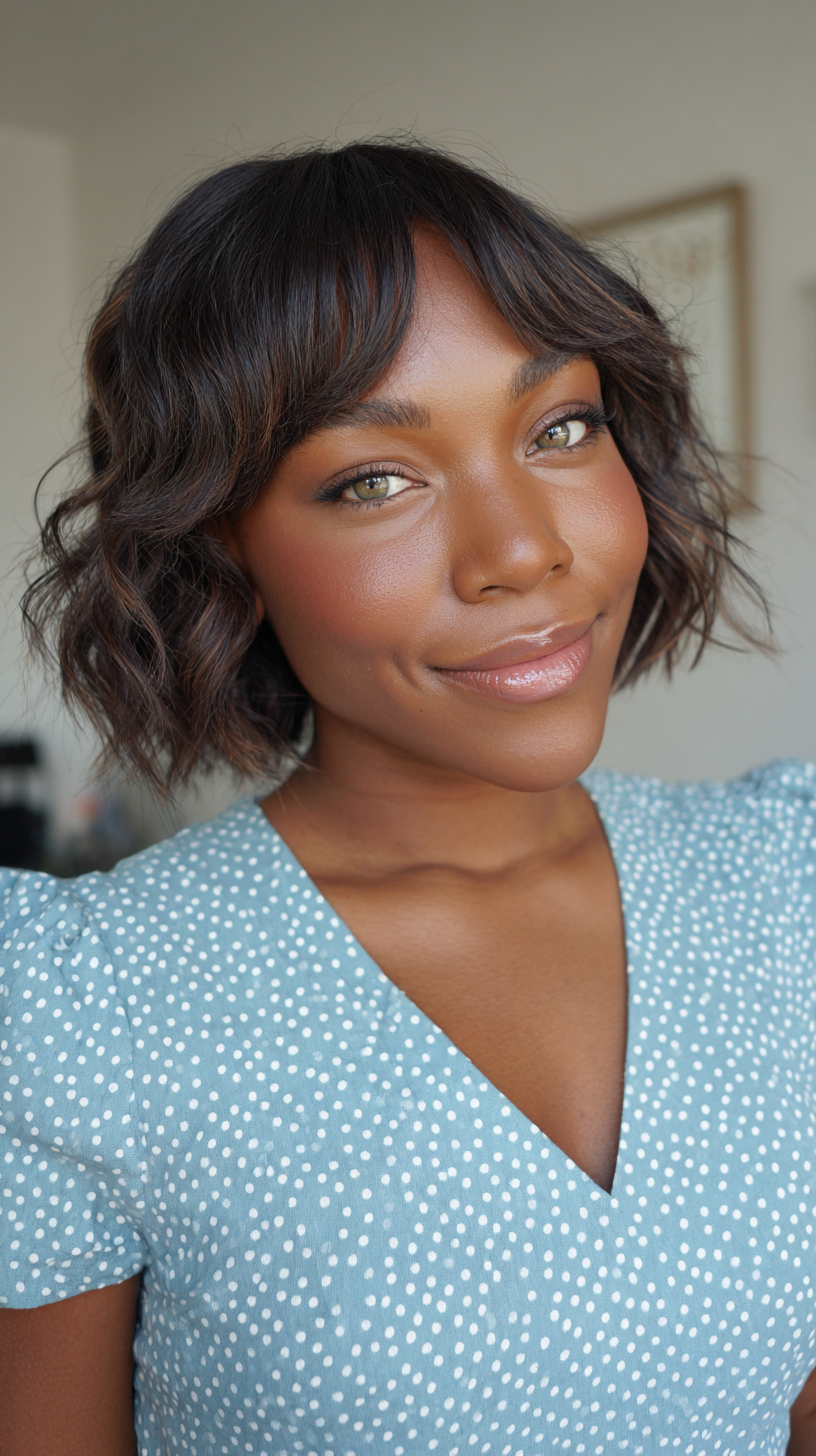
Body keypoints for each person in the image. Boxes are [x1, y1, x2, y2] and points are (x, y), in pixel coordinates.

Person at [0, 139, 813, 1456]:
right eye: (375, 479)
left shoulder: (790, 884)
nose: (520, 550)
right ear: (224, 539)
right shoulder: (89, 1007)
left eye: (561, 428)